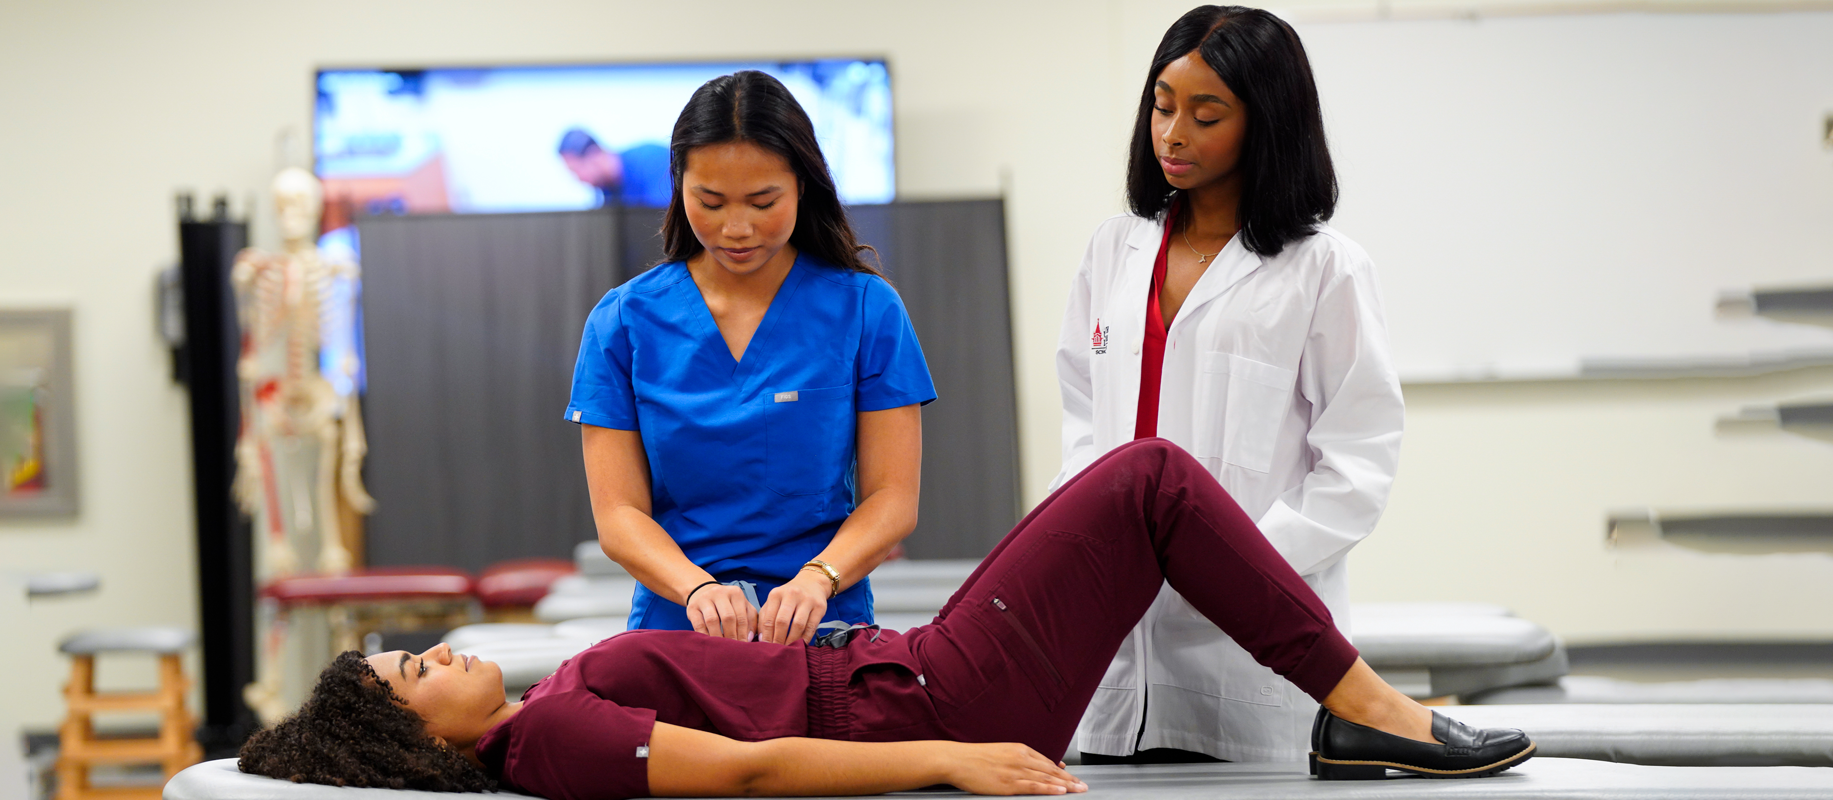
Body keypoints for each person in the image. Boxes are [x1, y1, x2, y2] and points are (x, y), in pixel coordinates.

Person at [239, 440, 1536, 797]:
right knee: (1148, 482)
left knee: (1144, 483)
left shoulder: (542, 714)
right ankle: (1365, 710)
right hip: (931, 701)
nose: (448, 649)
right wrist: (948, 756)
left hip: (904, 668)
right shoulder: (554, 746)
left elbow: (732, 715)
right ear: (429, 745)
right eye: (419, 670)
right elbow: (747, 773)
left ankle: (1355, 705)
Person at [1053, 6, 1405, 765]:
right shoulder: (1114, 251)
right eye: (1161, 106)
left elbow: (1358, 462)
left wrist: (1234, 567)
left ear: (1266, 122)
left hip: (1248, 655)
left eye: (1206, 115)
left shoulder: (1323, 270)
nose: (1173, 135)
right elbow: (1083, 420)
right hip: (1113, 652)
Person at [565, 72, 935, 645]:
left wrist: (818, 578)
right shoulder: (623, 321)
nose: (736, 229)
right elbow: (618, 516)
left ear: (803, 186)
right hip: (678, 625)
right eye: (709, 202)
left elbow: (892, 499)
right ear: (678, 188)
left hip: (823, 621)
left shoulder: (866, 309)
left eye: (763, 202)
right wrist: (696, 590)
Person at [557, 128, 675, 208]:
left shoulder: (651, 159)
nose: (579, 179)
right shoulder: (608, 189)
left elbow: (663, 218)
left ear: (593, 155)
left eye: (576, 170)